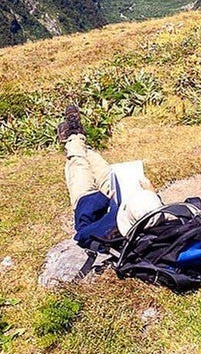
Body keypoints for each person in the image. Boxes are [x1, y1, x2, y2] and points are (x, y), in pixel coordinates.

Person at [58, 104, 163, 248]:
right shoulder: (160, 222)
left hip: (88, 201)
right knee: (101, 166)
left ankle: (73, 136)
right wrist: (151, 194)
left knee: (79, 162)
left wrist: (101, 200)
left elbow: (81, 235)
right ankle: (77, 137)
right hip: (115, 198)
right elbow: (149, 211)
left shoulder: (111, 228)